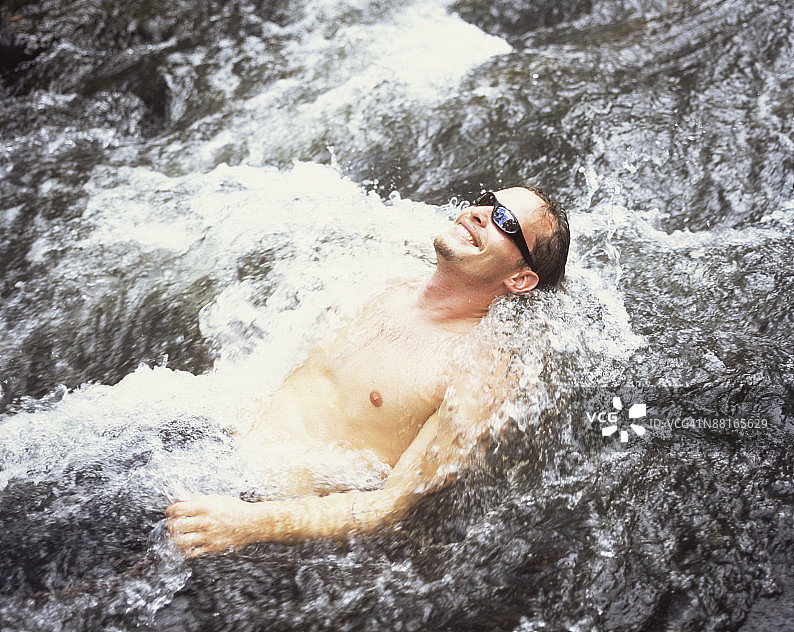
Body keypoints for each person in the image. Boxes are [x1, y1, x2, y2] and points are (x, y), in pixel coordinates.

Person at [166, 186, 569, 556]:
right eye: (487, 200)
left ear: (520, 278)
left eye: (506, 222)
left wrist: (248, 525)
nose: (483, 213)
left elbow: (391, 506)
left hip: (252, 521)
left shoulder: (477, 375)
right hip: (200, 452)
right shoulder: (379, 280)